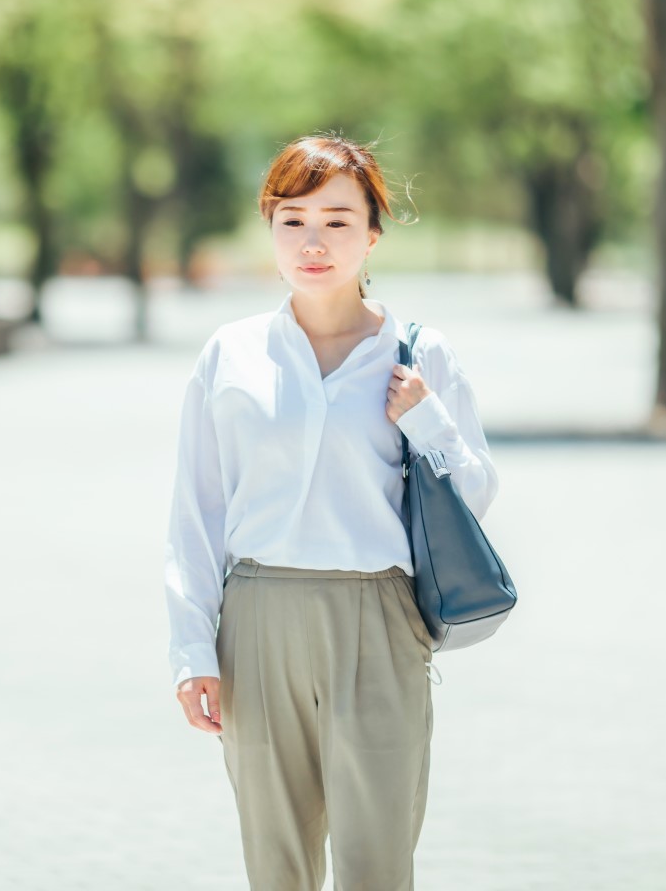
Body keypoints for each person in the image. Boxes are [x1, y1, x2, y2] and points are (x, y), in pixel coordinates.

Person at [163, 132, 500, 890]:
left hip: (377, 619)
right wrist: (192, 653)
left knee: (377, 862)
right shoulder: (231, 354)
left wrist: (426, 421)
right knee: (275, 862)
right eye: (293, 220)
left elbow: (475, 494)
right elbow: (196, 511)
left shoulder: (419, 355)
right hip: (257, 619)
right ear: (271, 229)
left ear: (373, 233)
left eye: (338, 221)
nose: (314, 241)